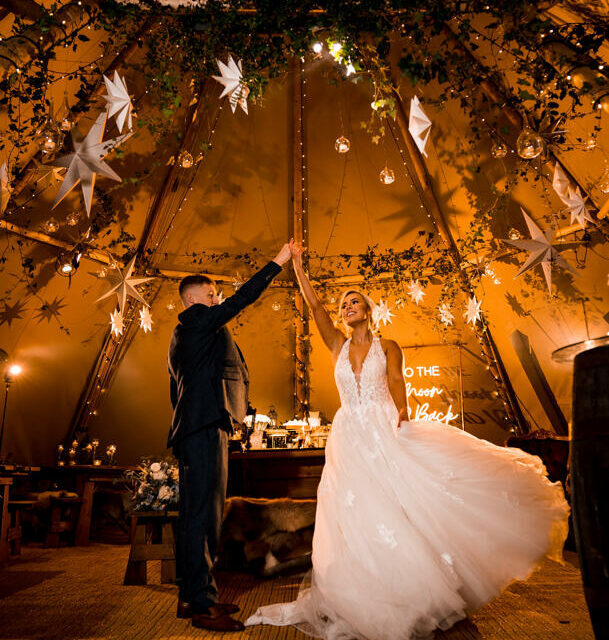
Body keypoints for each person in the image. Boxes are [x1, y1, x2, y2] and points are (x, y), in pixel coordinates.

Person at [245, 244, 570, 639]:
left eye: (353, 302)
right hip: (349, 439)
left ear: (367, 309)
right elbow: (315, 308)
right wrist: (297, 265)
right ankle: (360, 591)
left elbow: (397, 381)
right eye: (343, 303)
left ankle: (409, 588)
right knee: (353, 514)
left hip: (383, 430)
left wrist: (402, 410)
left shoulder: (388, 347)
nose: (346, 307)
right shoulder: (336, 345)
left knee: (397, 507)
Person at [168, 240, 292, 632]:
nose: (217, 298)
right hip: (201, 430)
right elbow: (241, 300)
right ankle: (203, 605)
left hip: (201, 427)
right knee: (201, 517)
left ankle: (192, 596)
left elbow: (181, 387)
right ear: (193, 301)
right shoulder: (196, 321)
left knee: (202, 516)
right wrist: (278, 262)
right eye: (210, 294)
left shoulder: (190, 334)